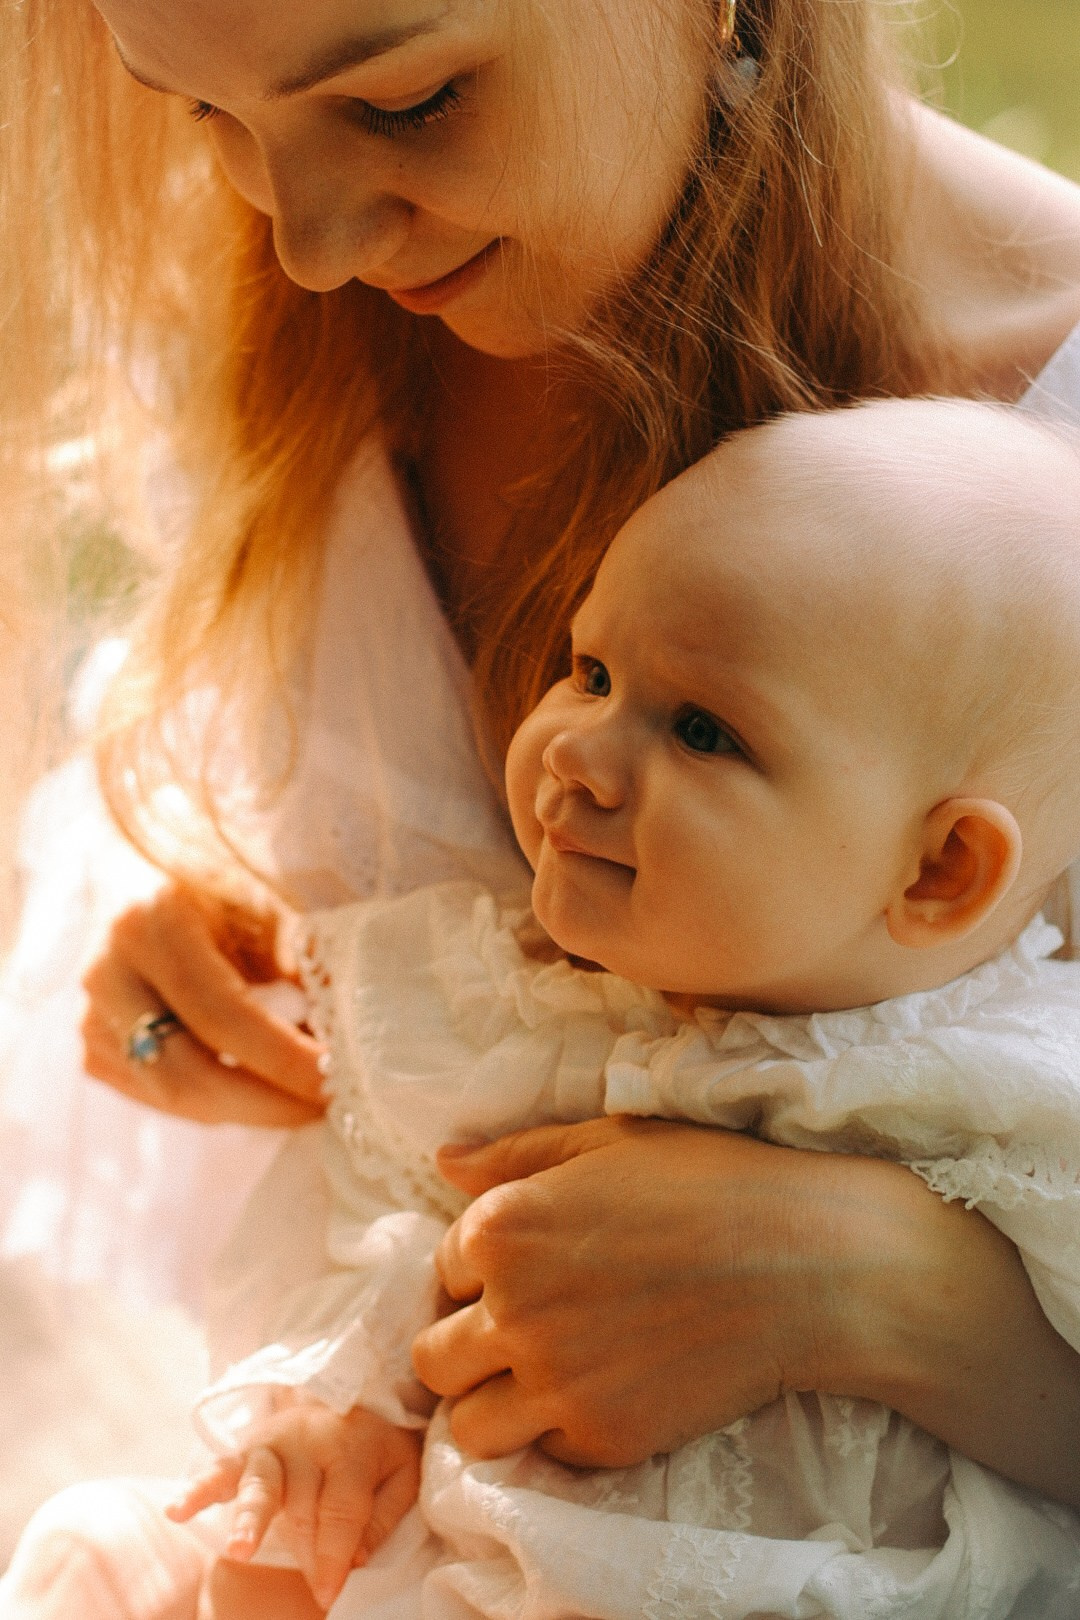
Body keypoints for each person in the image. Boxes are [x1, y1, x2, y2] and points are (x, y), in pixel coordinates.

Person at [5, 0, 1080, 1595]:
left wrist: (874, 1288)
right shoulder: (317, 336)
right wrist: (225, 947)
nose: (305, 243)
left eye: (413, 100)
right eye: (204, 117)